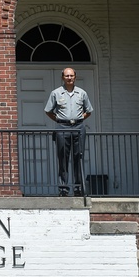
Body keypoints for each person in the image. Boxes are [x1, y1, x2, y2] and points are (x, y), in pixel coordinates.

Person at [44, 68, 93, 196]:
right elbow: (48, 111)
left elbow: (88, 110)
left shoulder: (82, 93)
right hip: (62, 128)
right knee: (63, 158)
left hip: (78, 128)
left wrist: (79, 119)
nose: (69, 78)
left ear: (75, 77)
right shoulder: (56, 93)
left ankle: (78, 187)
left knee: (78, 157)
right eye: (67, 76)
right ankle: (63, 188)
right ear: (63, 77)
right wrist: (60, 120)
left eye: (71, 75)